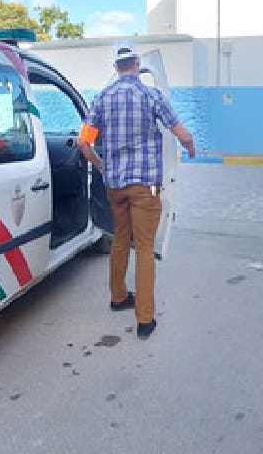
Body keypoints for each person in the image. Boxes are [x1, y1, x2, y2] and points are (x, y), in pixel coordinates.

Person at [77, 43, 196, 339]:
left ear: (116, 68)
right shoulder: (151, 95)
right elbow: (180, 132)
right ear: (138, 64)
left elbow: (83, 143)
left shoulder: (102, 98)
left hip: (116, 186)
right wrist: (190, 148)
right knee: (144, 247)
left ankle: (118, 298)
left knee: (120, 238)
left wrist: (101, 165)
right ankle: (145, 320)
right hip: (145, 186)